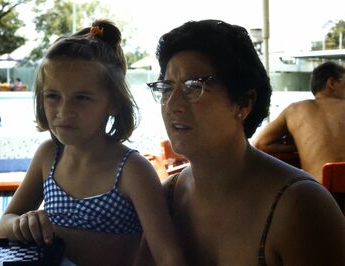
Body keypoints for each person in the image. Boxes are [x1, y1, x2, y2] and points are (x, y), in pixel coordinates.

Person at [136, 20, 345, 265]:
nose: (172, 105)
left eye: (193, 86)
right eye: (166, 87)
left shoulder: (300, 207)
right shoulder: (166, 198)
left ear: (244, 102)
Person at [0, 20, 185, 266]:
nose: (64, 111)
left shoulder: (131, 170)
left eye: (82, 98)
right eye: (53, 96)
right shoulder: (48, 156)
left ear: (114, 103)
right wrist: (22, 223)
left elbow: (168, 257)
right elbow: (4, 224)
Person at [254, 61, 345, 182]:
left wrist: (302, 143)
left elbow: (261, 143)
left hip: (321, 194)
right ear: (331, 83)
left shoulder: (295, 110)